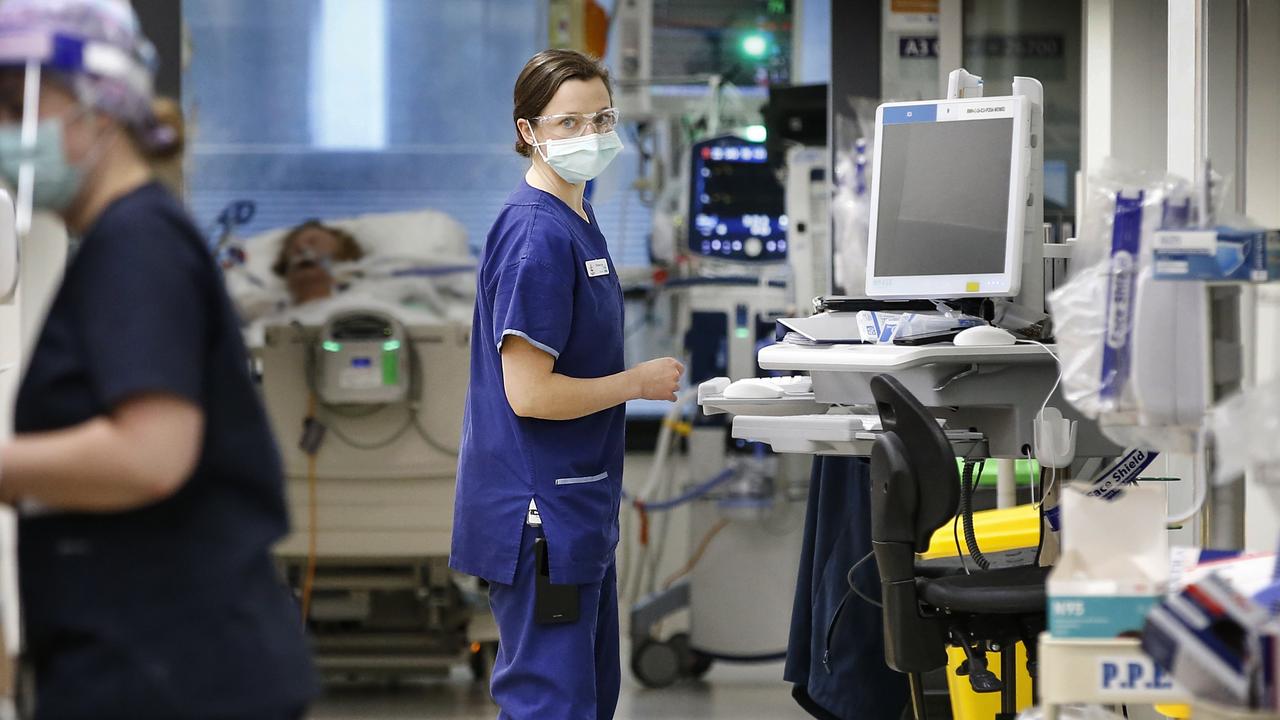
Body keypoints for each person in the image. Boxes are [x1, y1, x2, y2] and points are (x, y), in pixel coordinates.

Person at [0, 1, 317, 717]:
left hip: (180, 673)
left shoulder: (138, 247)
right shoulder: (120, 244)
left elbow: (151, 455)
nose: (4, 132)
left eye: (16, 105)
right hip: (147, 660)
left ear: (100, 109)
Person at [450, 49, 683, 720]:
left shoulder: (576, 219)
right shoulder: (536, 235)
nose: (590, 137)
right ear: (528, 130)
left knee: (585, 701)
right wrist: (635, 381)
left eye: (602, 119)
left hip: (575, 507)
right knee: (552, 706)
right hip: (539, 515)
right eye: (569, 123)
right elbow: (531, 394)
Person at [271, 219, 365, 306]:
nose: (302, 248)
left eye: (312, 242)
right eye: (294, 248)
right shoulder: (268, 312)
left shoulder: (365, 295)